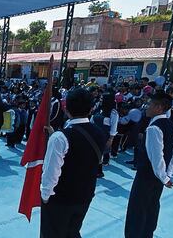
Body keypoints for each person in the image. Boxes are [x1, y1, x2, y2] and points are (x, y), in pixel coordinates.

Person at [40, 88, 107, 238]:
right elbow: (92, 158)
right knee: (72, 232)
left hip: (60, 199)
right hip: (85, 196)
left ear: (66, 108)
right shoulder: (99, 133)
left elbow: (51, 174)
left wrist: (45, 195)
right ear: (91, 109)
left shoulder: (60, 138)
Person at [124, 91, 173, 238]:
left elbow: (156, 157)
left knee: (138, 210)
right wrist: (167, 175)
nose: (146, 107)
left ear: (159, 107)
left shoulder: (154, 128)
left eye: (150, 104)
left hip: (147, 176)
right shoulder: (171, 126)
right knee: (151, 207)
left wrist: (164, 177)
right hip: (159, 178)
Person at [91, 92, 119, 178]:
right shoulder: (98, 108)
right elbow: (92, 119)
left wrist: (111, 139)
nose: (100, 100)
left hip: (104, 136)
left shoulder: (113, 113)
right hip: (94, 134)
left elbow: (114, 127)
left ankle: (99, 171)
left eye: (102, 99)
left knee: (99, 153)